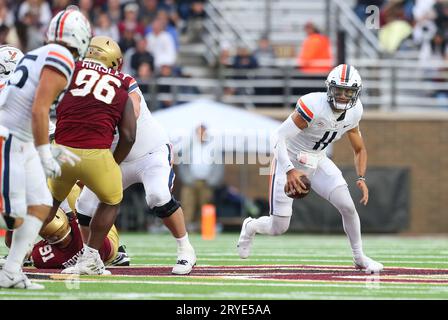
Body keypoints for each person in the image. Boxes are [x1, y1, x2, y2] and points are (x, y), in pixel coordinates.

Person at [237, 64, 384, 274]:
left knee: (348, 207)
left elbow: (359, 148)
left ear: (356, 93)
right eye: (339, 90)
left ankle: (359, 257)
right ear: (329, 88)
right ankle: (250, 226)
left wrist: (361, 176)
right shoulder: (313, 105)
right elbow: (277, 137)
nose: (343, 96)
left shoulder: (355, 111)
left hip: (317, 160)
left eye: (348, 91)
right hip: (289, 158)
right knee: (278, 227)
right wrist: (289, 170)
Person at [75, 43, 196, 274]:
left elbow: (134, 109)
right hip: (116, 159)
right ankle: (91, 257)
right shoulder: (81, 88)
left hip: (149, 153)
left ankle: (186, 249)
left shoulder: (124, 81)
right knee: (85, 204)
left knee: (158, 195)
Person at [0, 8, 91, 289]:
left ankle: (12, 271)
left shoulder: (39, 53)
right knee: (12, 212)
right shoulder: (62, 56)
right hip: (10, 136)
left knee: (40, 204)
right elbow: (39, 109)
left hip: (21, 136)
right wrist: (43, 152)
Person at [46, 35, 137, 276]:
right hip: (96, 154)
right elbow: (128, 136)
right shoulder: (120, 85)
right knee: (111, 199)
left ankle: (17, 252)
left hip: (61, 151)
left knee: (48, 204)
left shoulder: (69, 69)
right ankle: (91, 257)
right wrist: (113, 164)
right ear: (115, 62)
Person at [31, 201, 128, 269]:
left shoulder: (40, 256)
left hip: (101, 253)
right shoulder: (80, 228)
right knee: (81, 198)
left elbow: (34, 255)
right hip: (108, 243)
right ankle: (119, 254)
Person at [178, 124, 224, 228]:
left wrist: (212, 181)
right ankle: (185, 229)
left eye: (203, 132)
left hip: (206, 182)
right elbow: (183, 164)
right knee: (187, 205)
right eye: (199, 132)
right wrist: (187, 179)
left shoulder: (213, 146)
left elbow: (218, 165)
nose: (201, 134)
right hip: (190, 182)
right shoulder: (189, 146)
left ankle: (204, 228)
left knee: (206, 206)